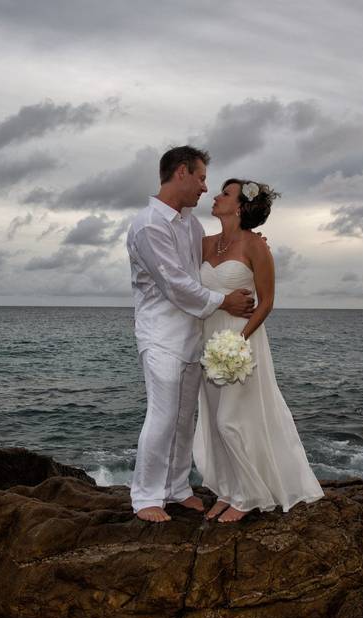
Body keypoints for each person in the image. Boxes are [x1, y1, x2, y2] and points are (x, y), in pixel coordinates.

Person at [126, 146, 255, 523]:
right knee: (163, 415)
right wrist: (224, 301)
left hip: (191, 334)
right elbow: (175, 284)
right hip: (160, 334)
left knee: (184, 418)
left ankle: (176, 487)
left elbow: (208, 262)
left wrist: (251, 244)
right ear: (181, 172)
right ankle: (146, 496)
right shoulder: (150, 224)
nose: (204, 187)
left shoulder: (191, 224)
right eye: (200, 178)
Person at [193, 178, 325, 523]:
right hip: (208, 339)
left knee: (231, 419)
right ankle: (227, 489)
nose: (216, 197)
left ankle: (250, 494)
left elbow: (267, 302)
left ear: (239, 206)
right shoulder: (204, 244)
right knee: (212, 417)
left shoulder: (256, 246)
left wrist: (240, 340)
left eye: (225, 193)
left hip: (240, 339)